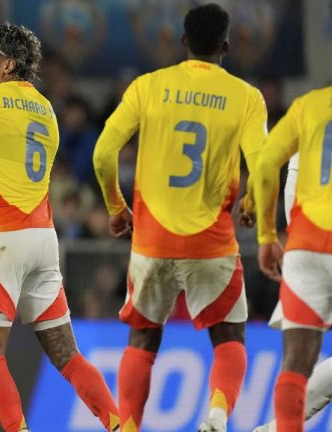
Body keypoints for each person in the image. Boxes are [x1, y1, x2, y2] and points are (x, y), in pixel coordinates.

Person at [0, 24, 120, 432]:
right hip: (43, 239)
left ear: (8, 63)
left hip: (0, 241)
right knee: (68, 356)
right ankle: (122, 425)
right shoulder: (47, 107)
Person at [91, 4, 267, 432]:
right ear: (225, 46)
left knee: (144, 339)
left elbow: (102, 153)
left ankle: (129, 427)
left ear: (183, 42)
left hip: (151, 240)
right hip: (212, 241)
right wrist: (251, 205)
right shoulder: (246, 97)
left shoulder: (147, 86)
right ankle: (217, 417)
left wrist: (116, 208)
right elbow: (263, 167)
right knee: (229, 336)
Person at [252, 85, 332, 431]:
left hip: (304, 244)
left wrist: (272, 236)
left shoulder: (307, 107)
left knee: (297, 364)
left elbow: (271, 162)